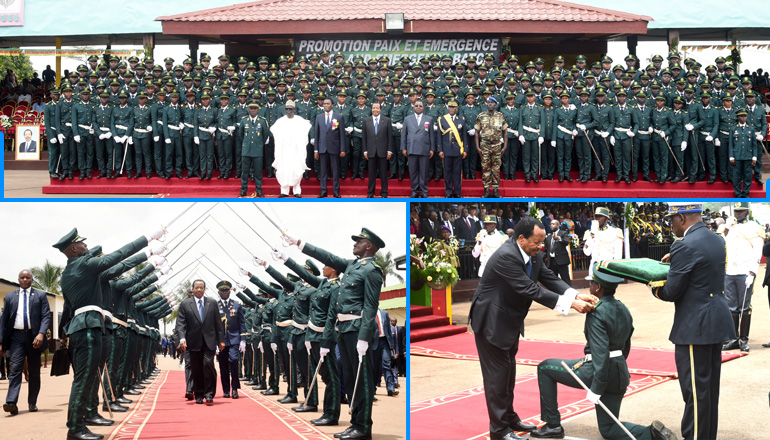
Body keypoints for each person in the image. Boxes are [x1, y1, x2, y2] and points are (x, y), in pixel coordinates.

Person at [469, 216, 597, 440]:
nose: (541, 246)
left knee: (508, 375)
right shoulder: (506, 256)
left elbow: (547, 277)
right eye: (537, 242)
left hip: (509, 322)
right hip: (492, 322)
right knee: (497, 379)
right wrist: (570, 304)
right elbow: (531, 289)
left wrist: (576, 294)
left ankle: (509, 419)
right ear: (520, 238)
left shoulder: (532, 254)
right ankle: (499, 431)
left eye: (542, 241)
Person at [531, 262, 677, 440]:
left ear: (598, 287)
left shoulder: (596, 311)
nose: (590, 285)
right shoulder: (623, 308)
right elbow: (626, 344)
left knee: (545, 368)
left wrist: (596, 388)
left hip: (597, 372)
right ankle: (651, 434)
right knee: (608, 428)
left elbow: (600, 354)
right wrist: (619, 366)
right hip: (619, 373)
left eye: (592, 282)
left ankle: (552, 425)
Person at [54, 227, 164, 440]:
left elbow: (69, 307)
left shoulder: (67, 273)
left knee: (84, 379)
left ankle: (80, 422)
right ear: (74, 248)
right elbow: (119, 256)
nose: (87, 246)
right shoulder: (84, 264)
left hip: (79, 327)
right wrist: (148, 243)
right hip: (87, 328)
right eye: (83, 244)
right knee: (84, 379)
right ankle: (75, 429)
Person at [283, 227, 385, 440]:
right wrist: (299, 243)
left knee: (362, 381)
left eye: (359, 241)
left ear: (369, 246)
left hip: (357, 330)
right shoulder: (351, 265)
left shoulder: (372, 270)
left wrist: (365, 337)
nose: (355, 244)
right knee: (349, 378)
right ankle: (355, 423)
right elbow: (326, 256)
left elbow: (370, 306)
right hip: (344, 330)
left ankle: (363, 427)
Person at [652, 202, 735, 440]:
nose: (671, 226)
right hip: (715, 320)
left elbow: (672, 292)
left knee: (695, 392)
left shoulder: (684, 245)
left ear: (681, 218)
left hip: (695, 326)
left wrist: (653, 284)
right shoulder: (717, 239)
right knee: (709, 390)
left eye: (671, 221)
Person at [0, 270, 51, 415]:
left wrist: (41, 334)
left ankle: (32, 402)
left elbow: (46, 315)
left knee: (34, 371)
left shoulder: (40, 295)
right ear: (18, 279)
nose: (24, 279)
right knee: (15, 368)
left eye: (27, 277)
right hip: (16, 337)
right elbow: (3, 320)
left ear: (32, 280)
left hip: (34, 338)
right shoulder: (10, 297)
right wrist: (1, 341)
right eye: (22, 277)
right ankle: (11, 402)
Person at [722, 202, 764, 352]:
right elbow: (724, 244)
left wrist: (752, 272)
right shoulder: (730, 227)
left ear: (747, 212)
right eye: (736, 211)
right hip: (730, 271)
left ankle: (744, 339)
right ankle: (733, 338)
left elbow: (757, 251)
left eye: (741, 211)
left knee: (744, 307)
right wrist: (727, 227)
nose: (737, 214)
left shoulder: (755, 227)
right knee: (731, 307)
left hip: (745, 272)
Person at [177, 280, 225, 405]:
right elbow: (180, 323)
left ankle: (209, 394)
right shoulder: (185, 304)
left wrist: (221, 340)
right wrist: (182, 338)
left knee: (208, 364)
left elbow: (218, 323)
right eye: (196, 287)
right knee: (196, 368)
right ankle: (198, 393)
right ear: (192, 289)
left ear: (204, 289)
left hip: (209, 341)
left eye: (201, 287)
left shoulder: (212, 303)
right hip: (193, 342)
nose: (199, 290)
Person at [272, 99, 312, 197]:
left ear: (294, 109)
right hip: (284, 150)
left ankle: (297, 191)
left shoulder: (300, 121)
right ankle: (284, 191)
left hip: (296, 150)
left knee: (296, 168)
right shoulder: (280, 121)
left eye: (290, 109)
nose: (288, 111)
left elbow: (306, 130)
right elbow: (274, 131)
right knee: (283, 168)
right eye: (287, 109)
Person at [216, 281, 247, 399]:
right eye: (222, 291)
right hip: (221, 340)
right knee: (223, 365)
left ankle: (234, 388)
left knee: (234, 361)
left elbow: (242, 323)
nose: (225, 292)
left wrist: (243, 339)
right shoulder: (215, 305)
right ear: (219, 292)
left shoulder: (237, 304)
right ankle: (226, 389)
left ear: (229, 291)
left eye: (227, 290)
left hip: (234, 338)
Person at [401, 99, 435, 198]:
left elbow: (432, 136)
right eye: (416, 106)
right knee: (413, 172)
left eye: (420, 106)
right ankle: (414, 191)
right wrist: (403, 148)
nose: (418, 107)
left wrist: (432, 148)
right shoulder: (407, 119)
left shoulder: (429, 119)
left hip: (424, 148)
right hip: (411, 148)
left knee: (424, 172)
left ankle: (424, 191)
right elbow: (404, 135)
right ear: (413, 107)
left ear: (423, 107)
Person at [314, 97, 347, 198]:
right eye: (324, 104)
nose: (326, 105)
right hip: (322, 147)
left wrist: (342, 149)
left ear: (332, 105)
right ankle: (323, 191)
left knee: (335, 171)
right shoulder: (318, 117)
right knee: (323, 171)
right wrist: (316, 149)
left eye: (328, 103)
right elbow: (317, 134)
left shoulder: (339, 116)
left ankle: (336, 191)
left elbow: (342, 134)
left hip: (335, 147)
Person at [476, 97, 508, 196]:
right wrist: (477, 147)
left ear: (495, 104)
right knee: (485, 167)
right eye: (488, 102)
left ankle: (495, 190)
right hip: (485, 145)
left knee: (496, 168)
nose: (490, 104)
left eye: (492, 103)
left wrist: (505, 146)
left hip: (497, 145)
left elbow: (505, 132)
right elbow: (477, 132)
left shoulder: (500, 116)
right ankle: (486, 190)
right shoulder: (481, 116)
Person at [238, 102, 270, 198]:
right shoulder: (244, 121)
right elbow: (241, 135)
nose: (253, 110)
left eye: (255, 109)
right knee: (244, 172)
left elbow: (265, 134)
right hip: (246, 150)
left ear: (258, 110)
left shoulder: (262, 121)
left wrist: (259, 143)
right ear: (248, 109)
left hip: (257, 150)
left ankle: (259, 190)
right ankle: (243, 190)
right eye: (251, 108)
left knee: (258, 172)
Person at [362, 102, 393, 198]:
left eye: (377, 108)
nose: (375, 110)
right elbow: (364, 137)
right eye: (373, 108)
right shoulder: (366, 120)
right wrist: (365, 151)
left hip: (383, 151)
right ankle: (370, 193)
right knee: (371, 174)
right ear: (371, 109)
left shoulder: (387, 120)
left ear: (380, 110)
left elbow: (390, 137)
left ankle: (384, 193)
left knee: (383, 174)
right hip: (370, 151)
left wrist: (389, 150)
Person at [437, 100, 467, 198]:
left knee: (457, 173)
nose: (451, 109)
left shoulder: (461, 119)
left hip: (458, 150)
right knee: (447, 173)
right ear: (447, 108)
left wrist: (465, 150)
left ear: (456, 108)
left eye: (453, 107)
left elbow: (464, 137)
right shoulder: (442, 119)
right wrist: (440, 150)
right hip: (446, 150)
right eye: (450, 107)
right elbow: (439, 136)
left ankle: (458, 192)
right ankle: (448, 192)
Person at [583, 207, 623, 279]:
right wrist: (591, 237)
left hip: (608, 268)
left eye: (600, 216)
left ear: (606, 218)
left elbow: (618, 255)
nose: (597, 219)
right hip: (594, 268)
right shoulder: (590, 232)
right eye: (596, 216)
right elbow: (587, 252)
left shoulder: (615, 232)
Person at [728, 108, 757, 198]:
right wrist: (731, 157)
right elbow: (731, 144)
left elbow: (754, 145)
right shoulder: (733, 129)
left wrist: (754, 157)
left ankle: (745, 193)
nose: (743, 118)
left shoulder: (751, 129)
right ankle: (738, 193)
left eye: (745, 116)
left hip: (748, 156)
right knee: (736, 176)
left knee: (747, 176)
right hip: (737, 156)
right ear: (738, 117)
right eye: (741, 116)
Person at [371, 308, 397, 397]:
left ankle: (390, 389)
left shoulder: (385, 313)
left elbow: (388, 329)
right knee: (374, 367)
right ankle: (373, 388)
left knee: (387, 364)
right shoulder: (368, 313)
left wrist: (392, 344)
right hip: (374, 343)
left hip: (385, 341)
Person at [545, 220, 572, 285]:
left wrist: (558, 238)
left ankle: (569, 293)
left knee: (565, 279)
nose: (551, 225)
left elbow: (566, 242)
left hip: (561, 260)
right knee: (554, 281)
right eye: (550, 224)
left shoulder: (563, 233)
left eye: (553, 224)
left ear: (558, 225)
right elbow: (547, 249)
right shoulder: (549, 236)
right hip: (552, 261)